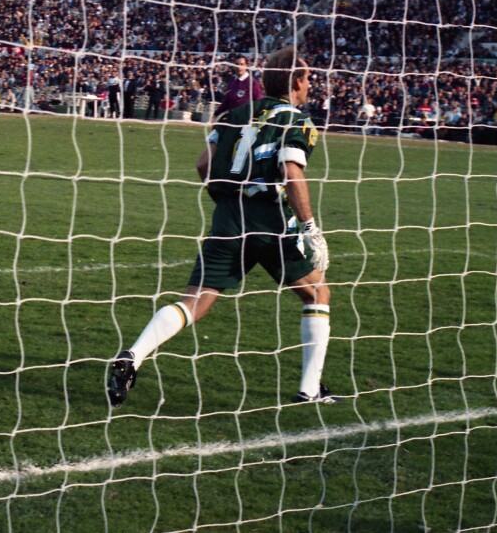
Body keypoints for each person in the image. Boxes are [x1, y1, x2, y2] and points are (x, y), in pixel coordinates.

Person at [106, 47, 336, 407]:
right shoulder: (297, 119)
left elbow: (202, 164)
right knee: (318, 294)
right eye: (308, 78)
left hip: (228, 218)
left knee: (194, 301)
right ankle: (309, 391)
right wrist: (309, 226)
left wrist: (227, 202)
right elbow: (291, 171)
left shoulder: (235, 115)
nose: (310, 85)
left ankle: (133, 356)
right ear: (295, 82)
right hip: (270, 221)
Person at [213, 54, 263, 120]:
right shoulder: (232, 81)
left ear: (246, 66)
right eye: (237, 64)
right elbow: (226, 101)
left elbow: (259, 103)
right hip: (232, 119)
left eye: (242, 64)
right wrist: (216, 114)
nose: (239, 67)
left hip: (245, 122)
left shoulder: (253, 83)